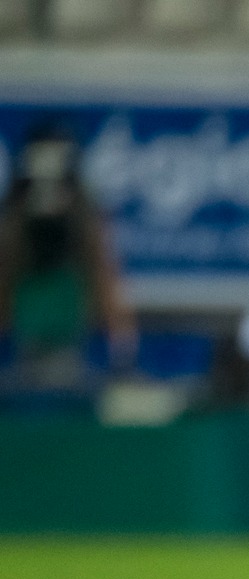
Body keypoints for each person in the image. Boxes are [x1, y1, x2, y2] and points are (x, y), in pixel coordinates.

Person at [0, 119, 135, 384]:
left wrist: (122, 342)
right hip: (23, 332)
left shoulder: (83, 218)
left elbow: (103, 273)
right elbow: (5, 271)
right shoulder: (15, 218)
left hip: (68, 330)